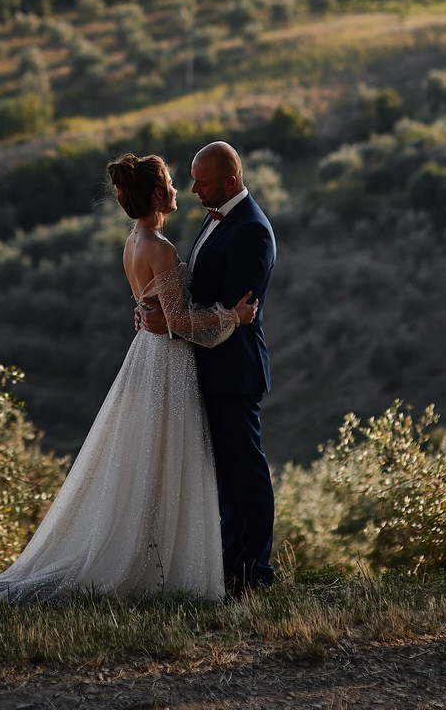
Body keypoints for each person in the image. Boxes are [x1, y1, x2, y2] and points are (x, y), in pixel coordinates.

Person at [0, 152, 256, 601]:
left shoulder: (134, 240)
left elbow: (157, 310)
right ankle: (162, 567)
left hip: (147, 355)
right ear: (153, 194)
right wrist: (233, 317)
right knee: (165, 457)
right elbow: (180, 321)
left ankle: (158, 558)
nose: (177, 189)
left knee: (149, 457)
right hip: (167, 362)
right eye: (169, 182)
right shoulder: (160, 248)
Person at [137, 141, 277, 595]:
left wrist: (171, 324)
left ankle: (255, 576)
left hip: (234, 372)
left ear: (230, 181)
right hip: (205, 368)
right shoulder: (216, 215)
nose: (193, 188)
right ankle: (230, 570)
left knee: (246, 475)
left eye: (202, 181)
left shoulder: (252, 231)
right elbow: (189, 290)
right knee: (225, 478)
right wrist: (153, 311)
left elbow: (232, 312)